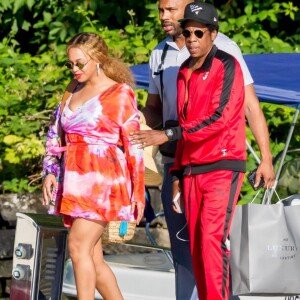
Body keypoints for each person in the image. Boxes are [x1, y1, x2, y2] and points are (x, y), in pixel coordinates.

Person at [129, 0, 275, 299]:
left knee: (211, 241)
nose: (164, 16)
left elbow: (242, 108)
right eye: (160, 10)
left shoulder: (226, 53)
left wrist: (267, 158)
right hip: (181, 161)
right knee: (189, 249)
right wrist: (133, 131)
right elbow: (160, 112)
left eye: (170, 9)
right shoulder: (167, 57)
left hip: (221, 161)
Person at [42, 32, 145, 300]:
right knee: (93, 260)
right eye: (70, 64)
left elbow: (134, 146)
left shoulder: (120, 93)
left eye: (80, 63)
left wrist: (139, 192)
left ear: (97, 59)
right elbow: (54, 135)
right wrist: (50, 171)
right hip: (73, 180)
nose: (74, 69)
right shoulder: (71, 90)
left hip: (104, 180)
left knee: (77, 246)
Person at [170, 3, 245, 299]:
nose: (191, 38)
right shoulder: (182, 71)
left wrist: (168, 133)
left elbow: (219, 118)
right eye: (187, 32)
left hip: (222, 166)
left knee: (212, 243)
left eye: (198, 32)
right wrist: (177, 171)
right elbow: (183, 123)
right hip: (191, 171)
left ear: (213, 34)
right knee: (197, 247)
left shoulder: (227, 65)